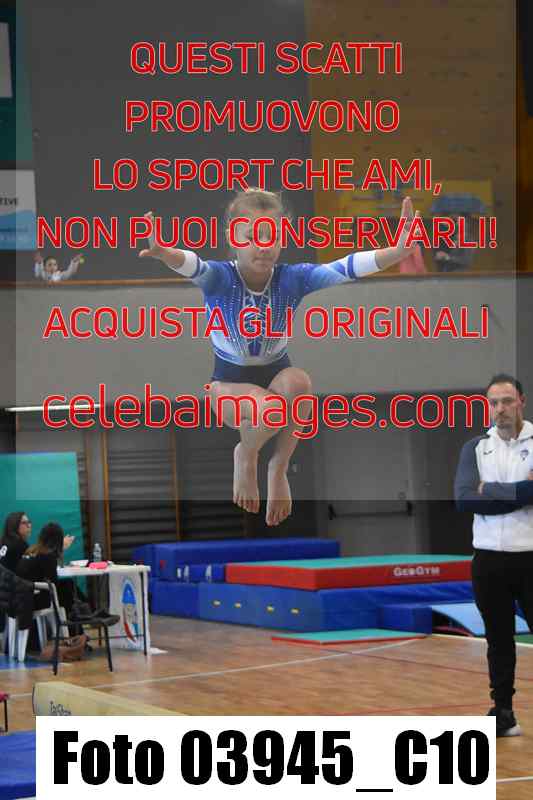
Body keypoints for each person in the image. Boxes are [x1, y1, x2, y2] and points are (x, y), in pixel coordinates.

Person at [140, 189, 420, 526]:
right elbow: (191, 264)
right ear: (233, 237)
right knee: (271, 410)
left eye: (271, 236)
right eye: (252, 236)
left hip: (276, 377)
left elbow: (345, 268)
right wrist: (163, 252)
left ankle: (278, 467)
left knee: (299, 381)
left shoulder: (293, 279)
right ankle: (246, 453)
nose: (263, 245)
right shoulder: (220, 278)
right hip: (229, 389)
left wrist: (397, 252)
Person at [455, 373, 533, 737]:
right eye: (493, 403)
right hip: (488, 560)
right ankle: (503, 712)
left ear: (521, 402)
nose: (500, 409)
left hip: (529, 557)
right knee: (498, 640)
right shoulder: (475, 448)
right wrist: (520, 493)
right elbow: (464, 499)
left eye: (507, 401)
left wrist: (490, 490)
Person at [16, 522, 76, 617]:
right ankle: (71, 622)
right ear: (58, 540)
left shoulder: (31, 550)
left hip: (20, 597)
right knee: (67, 586)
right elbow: (53, 582)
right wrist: (60, 550)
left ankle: (75, 619)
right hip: (34, 600)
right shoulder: (47, 556)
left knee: (67, 584)